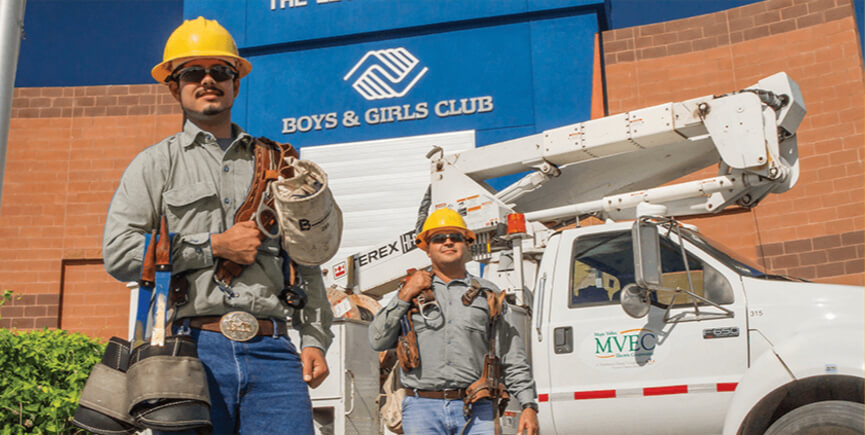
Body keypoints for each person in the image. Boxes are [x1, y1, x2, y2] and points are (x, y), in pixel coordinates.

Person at [102, 17, 333, 434]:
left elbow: (306, 258)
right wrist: (214, 245)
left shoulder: (280, 165)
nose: (208, 80)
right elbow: (118, 253)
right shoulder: (155, 165)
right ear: (175, 86)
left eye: (220, 72)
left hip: (275, 353)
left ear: (235, 84)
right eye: (193, 72)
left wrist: (314, 337)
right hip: (190, 350)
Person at [369, 208, 540, 435]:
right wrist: (404, 294)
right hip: (422, 408)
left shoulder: (488, 294)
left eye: (456, 237)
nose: (448, 242)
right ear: (427, 250)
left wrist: (529, 406)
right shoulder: (410, 293)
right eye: (439, 238)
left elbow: (511, 354)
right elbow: (377, 340)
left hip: (477, 409)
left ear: (467, 244)